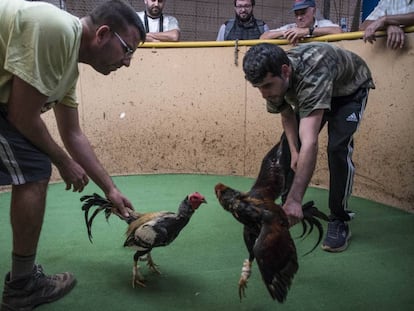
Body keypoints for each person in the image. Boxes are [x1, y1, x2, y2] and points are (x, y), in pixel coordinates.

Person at [0, 0, 146, 309]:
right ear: (103, 34)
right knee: (35, 167)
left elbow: (73, 134)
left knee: (34, 159)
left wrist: (110, 190)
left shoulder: (68, 66)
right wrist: (63, 162)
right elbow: (22, 116)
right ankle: (23, 286)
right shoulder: (56, 29)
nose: (128, 62)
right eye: (127, 50)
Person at [242, 42, 375, 253]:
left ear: (285, 72)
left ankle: (339, 219)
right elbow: (286, 114)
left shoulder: (312, 72)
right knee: (287, 145)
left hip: (349, 91)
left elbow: (310, 140)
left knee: (337, 148)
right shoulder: (274, 78)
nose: (263, 94)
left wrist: (297, 198)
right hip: (318, 89)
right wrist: (294, 151)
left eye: (266, 86)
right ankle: (286, 207)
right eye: (258, 87)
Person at [260, 0, 342, 44]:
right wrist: (287, 32)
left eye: (303, 13)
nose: (299, 17)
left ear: (313, 11)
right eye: (296, 14)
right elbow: (263, 37)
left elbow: (340, 32)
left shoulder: (323, 24)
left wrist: (308, 31)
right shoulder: (291, 28)